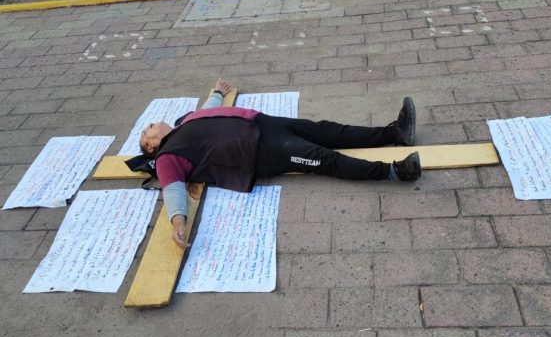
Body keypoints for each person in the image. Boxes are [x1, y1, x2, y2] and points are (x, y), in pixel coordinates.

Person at [140, 79, 421, 247]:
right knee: (323, 159)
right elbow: (173, 190)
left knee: (327, 130)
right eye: (147, 130)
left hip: (263, 124)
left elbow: (208, 112)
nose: (152, 124)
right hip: (258, 151)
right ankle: (395, 172)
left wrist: (216, 92)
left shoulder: (184, 122)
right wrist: (178, 221)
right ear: (152, 146)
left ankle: (395, 133)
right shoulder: (166, 157)